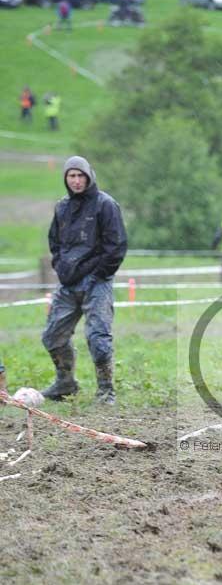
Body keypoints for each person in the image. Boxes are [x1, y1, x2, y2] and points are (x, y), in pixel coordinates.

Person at [41, 156, 128, 404]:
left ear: (89, 177)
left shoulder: (105, 205)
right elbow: (54, 242)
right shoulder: (62, 207)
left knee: (98, 338)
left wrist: (99, 275)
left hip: (96, 283)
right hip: (67, 284)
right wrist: (60, 266)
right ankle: (65, 383)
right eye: (72, 176)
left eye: (81, 176)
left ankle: (106, 391)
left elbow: (116, 246)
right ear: (66, 179)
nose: (77, 181)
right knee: (52, 336)